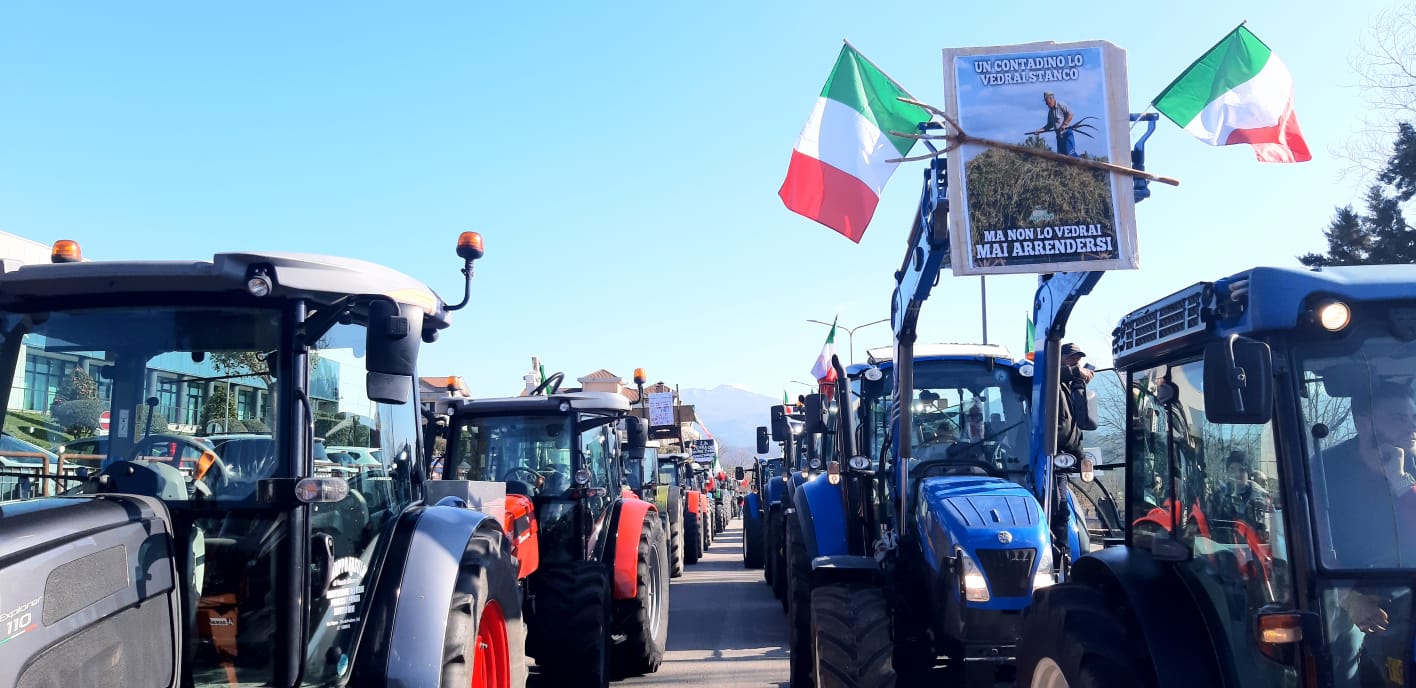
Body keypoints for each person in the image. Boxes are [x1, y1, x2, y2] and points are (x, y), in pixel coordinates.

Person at [1316, 382, 1416, 685]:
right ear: (1363, 422)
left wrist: (1400, 481)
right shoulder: (1325, 470)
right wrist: (1348, 598)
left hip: (1408, 585)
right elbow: (1315, 539)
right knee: (1340, 661)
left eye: (1413, 417)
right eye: (1399, 417)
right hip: (1345, 586)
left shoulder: (1412, 466)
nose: (1412, 426)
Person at [1208, 450, 1270, 536]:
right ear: (1227, 473)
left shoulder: (1260, 497)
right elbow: (1211, 527)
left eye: (1241, 470)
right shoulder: (1217, 497)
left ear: (1248, 473)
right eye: (1232, 470)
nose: (1237, 474)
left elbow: (1267, 530)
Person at [1056, 342, 1094, 460]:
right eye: (1070, 358)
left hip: (1070, 451)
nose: (1076, 362)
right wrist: (1075, 371)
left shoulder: (1071, 386)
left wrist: (1082, 460)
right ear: (1058, 359)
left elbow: (1073, 425)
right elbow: (1050, 375)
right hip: (1052, 450)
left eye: (1078, 359)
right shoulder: (1051, 381)